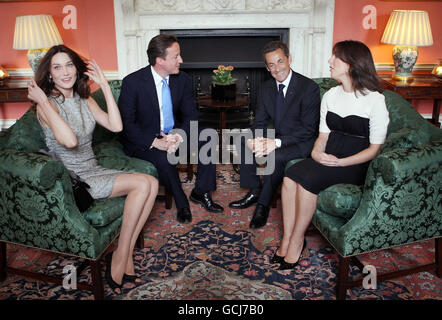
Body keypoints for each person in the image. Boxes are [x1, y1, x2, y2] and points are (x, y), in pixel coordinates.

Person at [28, 45, 158, 294]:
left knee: (151, 183)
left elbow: (116, 125)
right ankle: (120, 258)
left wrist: (106, 87)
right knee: (142, 183)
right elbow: (69, 141)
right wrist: (43, 101)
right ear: (49, 74)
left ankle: (123, 256)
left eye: (69, 65)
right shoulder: (47, 106)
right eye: (57, 67)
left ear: (77, 68)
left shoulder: (83, 97)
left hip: (93, 168)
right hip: (76, 179)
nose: (65, 72)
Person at [273, 40, 390, 270]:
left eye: (335, 57)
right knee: (289, 177)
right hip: (329, 156)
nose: (329, 61)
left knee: (307, 182)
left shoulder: (375, 100)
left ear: (351, 64)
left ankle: (297, 241)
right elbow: (323, 136)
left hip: (356, 162)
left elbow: (374, 149)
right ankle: (287, 237)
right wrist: (317, 153)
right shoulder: (331, 95)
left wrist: (341, 163)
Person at [118, 34, 223, 224]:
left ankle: (201, 192)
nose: (181, 60)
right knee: (164, 158)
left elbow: (191, 115)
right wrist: (155, 142)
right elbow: (127, 125)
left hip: (173, 134)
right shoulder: (132, 83)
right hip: (144, 140)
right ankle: (182, 202)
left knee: (208, 137)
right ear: (160, 60)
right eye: (176, 56)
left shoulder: (181, 79)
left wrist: (178, 135)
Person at [229, 41, 321, 229]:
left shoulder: (308, 88)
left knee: (275, 157)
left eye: (280, 61)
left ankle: (262, 205)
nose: (276, 68)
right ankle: (254, 190)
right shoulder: (266, 88)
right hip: (277, 136)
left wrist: (275, 143)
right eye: (271, 64)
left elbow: (308, 129)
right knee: (244, 139)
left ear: (289, 59)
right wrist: (256, 139)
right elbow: (261, 120)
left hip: (301, 141)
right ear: (267, 67)